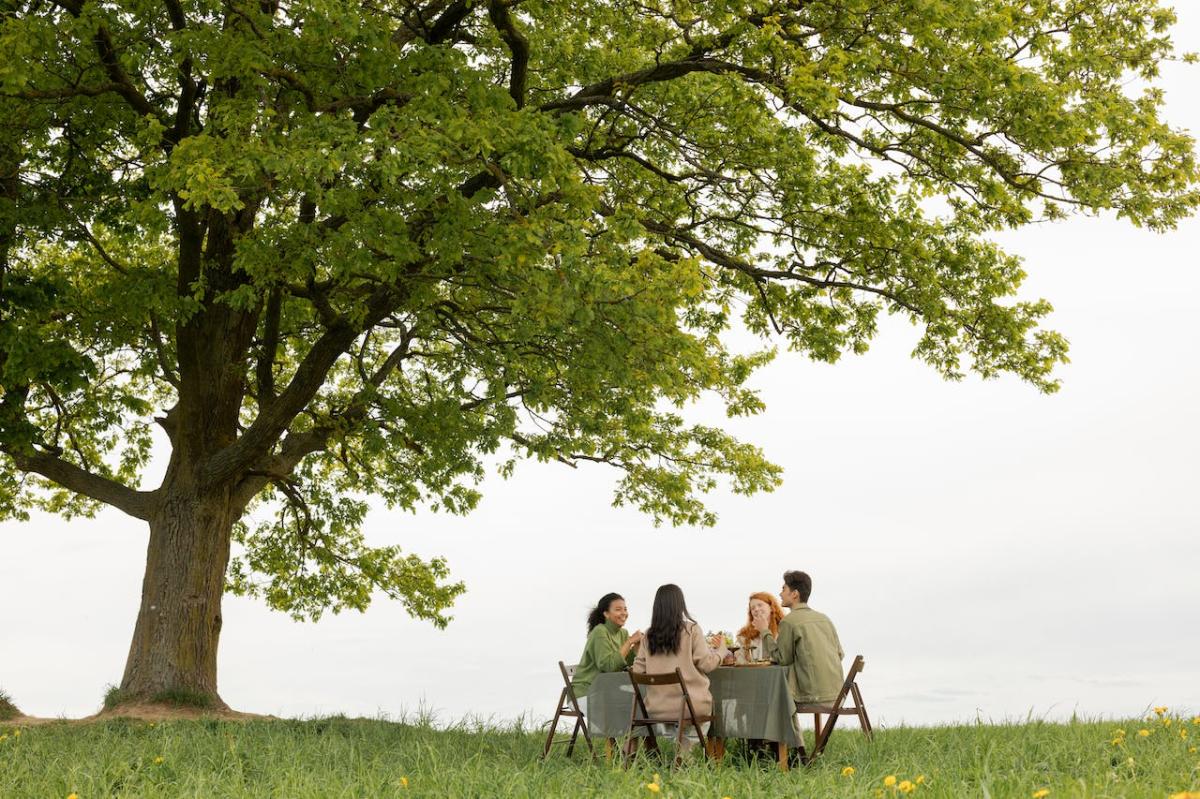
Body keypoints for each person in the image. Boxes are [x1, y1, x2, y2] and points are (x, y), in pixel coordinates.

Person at [632, 583, 728, 753]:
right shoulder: (691, 630)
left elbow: (637, 671)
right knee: (705, 711)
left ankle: (680, 752)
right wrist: (721, 652)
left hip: (657, 708)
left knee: (677, 718)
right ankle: (684, 753)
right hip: (690, 706)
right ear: (680, 604)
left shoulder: (649, 635)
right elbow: (706, 664)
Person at [754, 570, 844, 704]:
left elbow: (782, 659)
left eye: (784, 589)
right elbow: (840, 655)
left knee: (766, 695)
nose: (780, 593)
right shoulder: (824, 619)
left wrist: (764, 631)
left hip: (812, 697)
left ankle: (781, 726)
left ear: (795, 594)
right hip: (838, 695)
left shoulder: (789, 622)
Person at [571, 592, 643, 706]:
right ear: (606, 613)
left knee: (639, 703)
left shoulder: (623, 633)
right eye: (618, 609)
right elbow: (609, 667)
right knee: (629, 708)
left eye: (625, 609)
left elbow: (625, 664)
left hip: (607, 691)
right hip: (586, 692)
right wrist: (629, 642)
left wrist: (637, 648)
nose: (624, 613)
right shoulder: (600, 632)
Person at [735, 591, 785, 663]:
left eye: (760, 605)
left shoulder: (784, 629)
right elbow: (741, 662)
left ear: (771, 607)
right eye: (752, 608)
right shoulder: (744, 636)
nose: (756, 609)